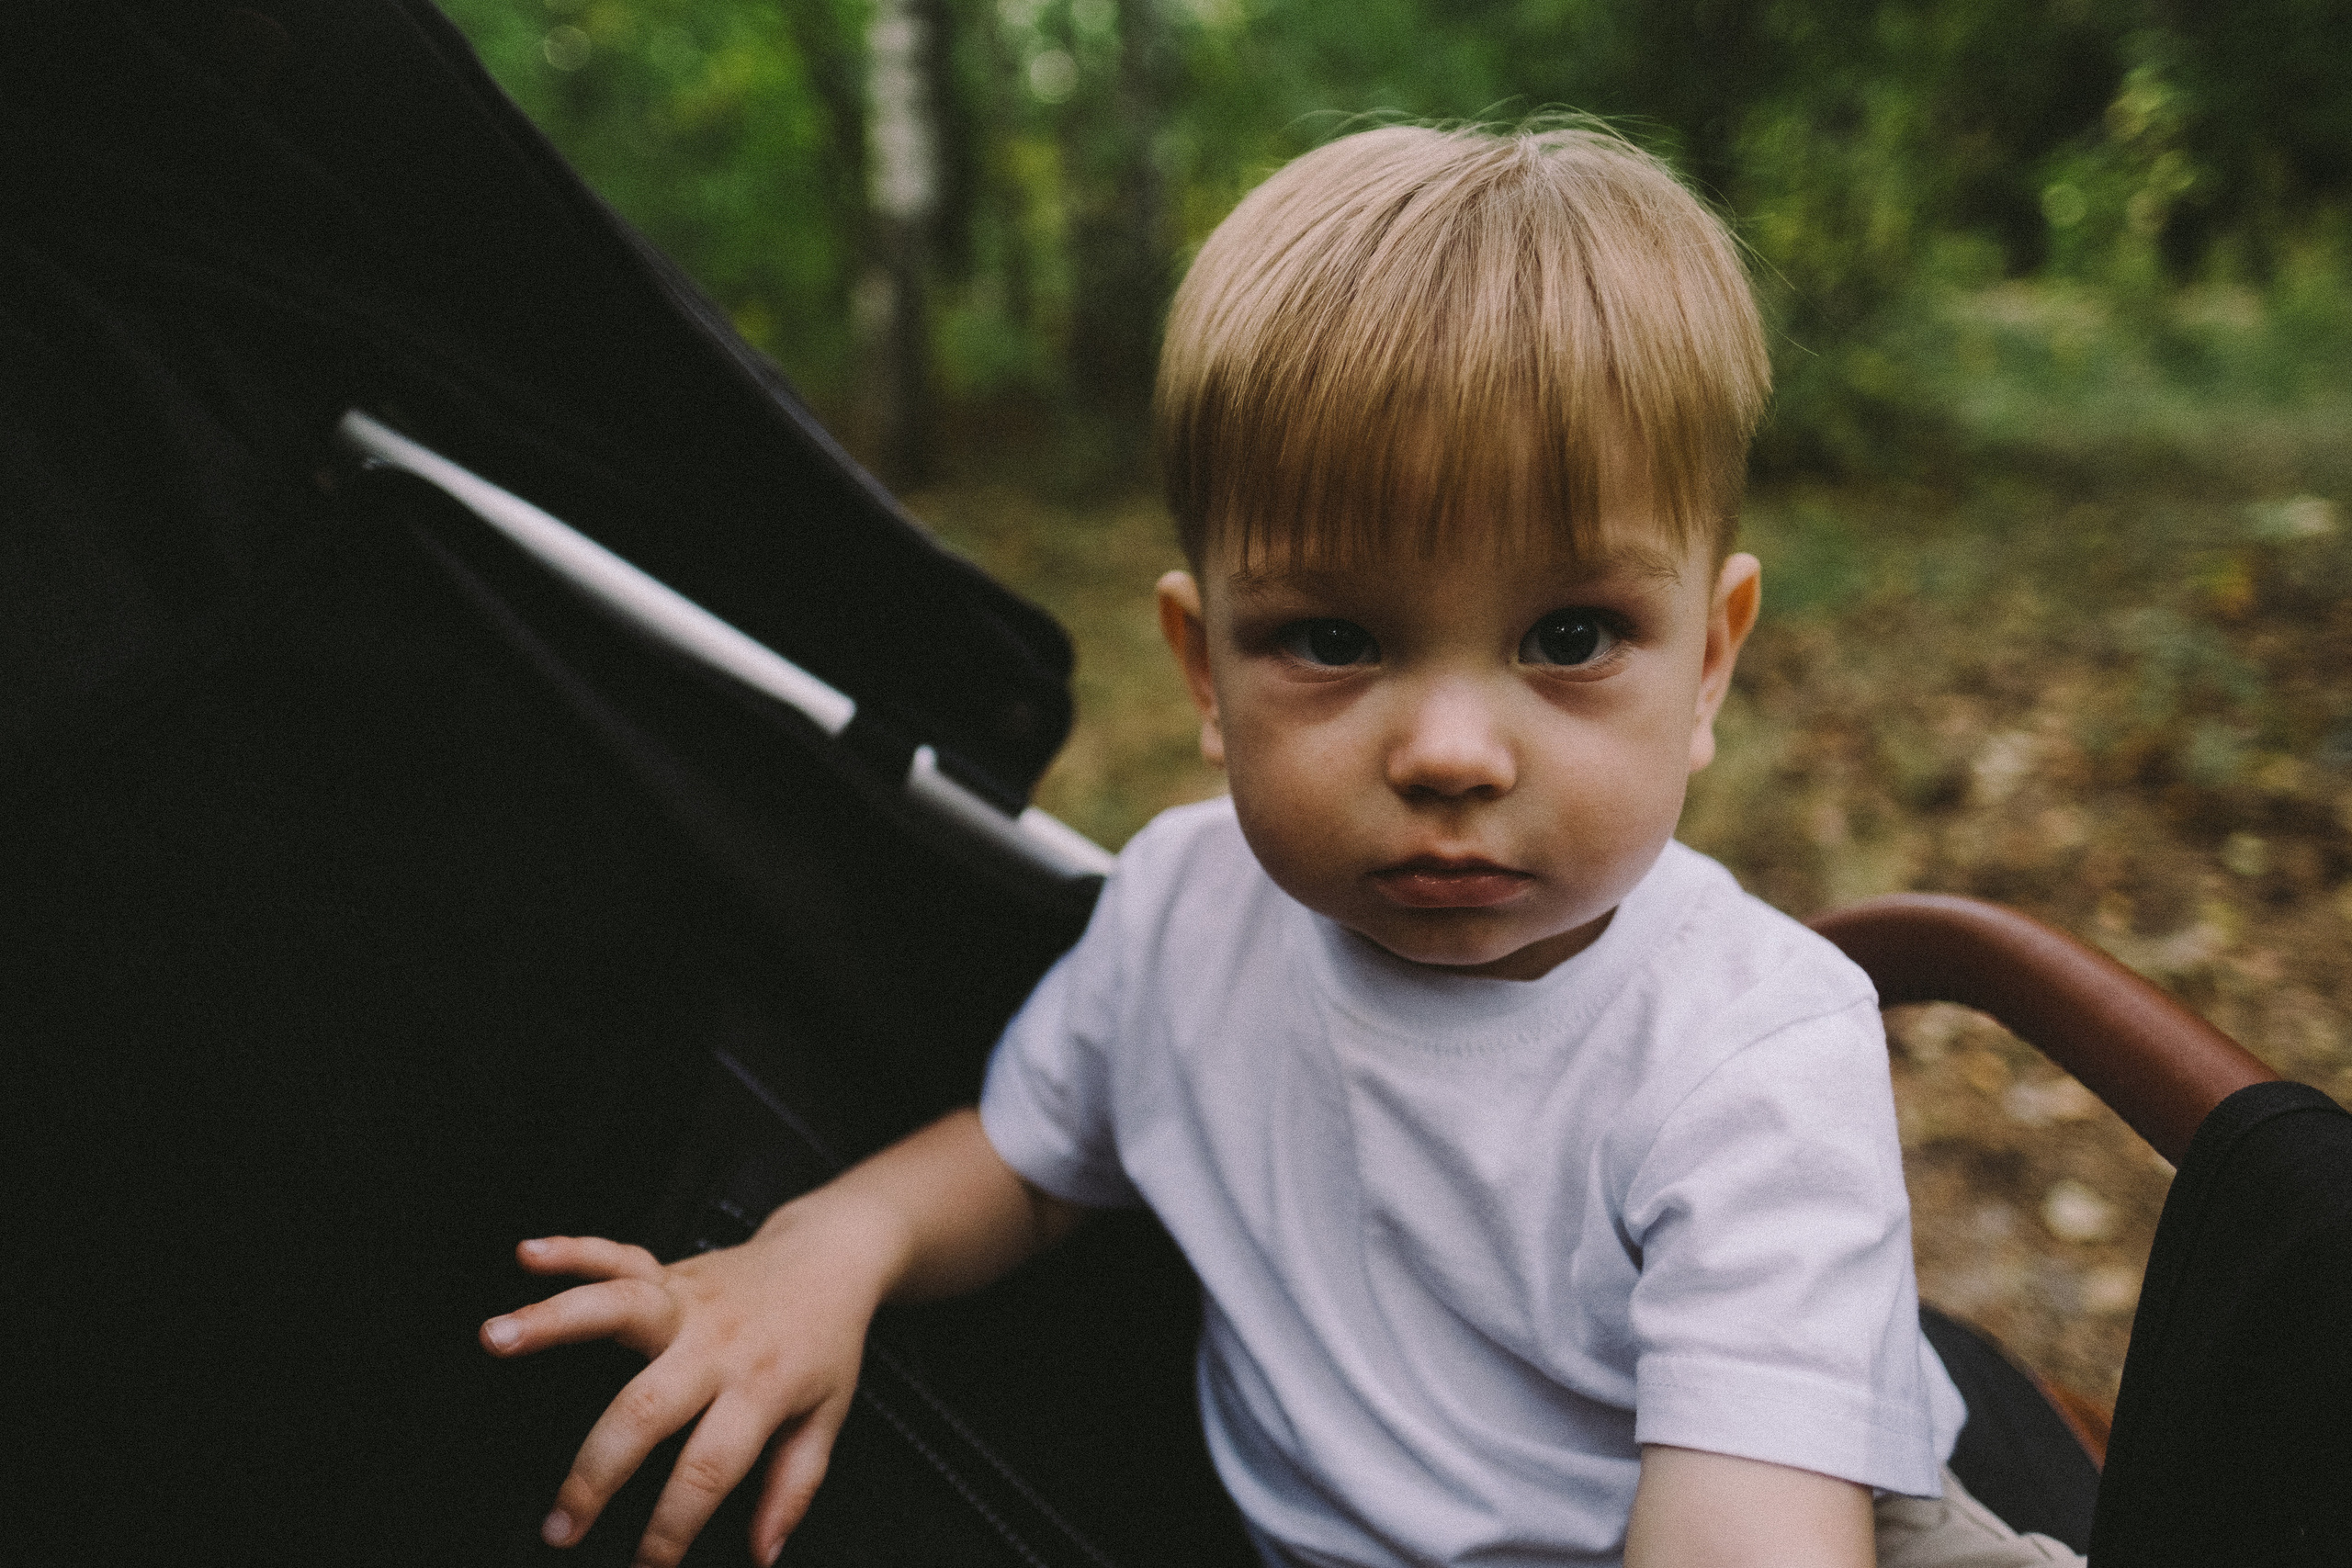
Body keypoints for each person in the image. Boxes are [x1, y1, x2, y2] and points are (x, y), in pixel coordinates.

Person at [480, 124, 2083, 1568]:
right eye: (1332, 636)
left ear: (1711, 663)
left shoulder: (1749, 1059)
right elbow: (1036, 1162)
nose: (1450, 751)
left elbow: (1751, 1534)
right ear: (1203, 667)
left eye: (1572, 632)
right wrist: (835, 1244)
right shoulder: (1186, 909)